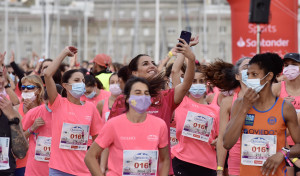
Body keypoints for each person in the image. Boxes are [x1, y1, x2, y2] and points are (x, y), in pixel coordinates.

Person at [223, 53, 300, 176]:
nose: (249, 79)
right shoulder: (239, 104)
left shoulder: (285, 108)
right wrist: (244, 108)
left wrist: (283, 153)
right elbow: (227, 143)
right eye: (248, 75)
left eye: (254, 74)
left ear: (269, 76)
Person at [85, 77, 170, 176]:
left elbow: (165, 160)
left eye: (146, 93)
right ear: (127, 98)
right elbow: (90, 156)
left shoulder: (160, 125)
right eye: (138, 93)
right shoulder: (113, 124)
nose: (143, 97)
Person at [44, 46, 103, 175]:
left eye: (82, 80)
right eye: (76, 80)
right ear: (65, 85)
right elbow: (47, 74)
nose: (81, 83)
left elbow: (98, 139)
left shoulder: (91, 108)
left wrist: (97, 165)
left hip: (84, 170)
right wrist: (64, 53)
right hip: (59, 170)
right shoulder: (58, 102)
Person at [204, 57, 250, 176]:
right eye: (245, 67)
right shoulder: (228, 102)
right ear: (237, 76)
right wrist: (219, 169)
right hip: (236, 163)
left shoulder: (267, 100)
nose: (249, 70)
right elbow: (222, 139)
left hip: (262, 160)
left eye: (254, 67)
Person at [172, 68, 220, 176]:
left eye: (201, 81)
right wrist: (186, 55)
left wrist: (219, 140)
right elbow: (174, 73)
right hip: (182, 162)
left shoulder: (216, 110)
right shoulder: (181, 101)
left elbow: (221, 137)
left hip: (208, 165)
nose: (197, 84)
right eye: (193, 81)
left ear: (207, 84)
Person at [22, 86, 61, 176]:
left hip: (59, 169)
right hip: (35, 170)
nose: (50, 108)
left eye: (54, 104)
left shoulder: (68, 114)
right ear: (44, 99)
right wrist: (32, 128)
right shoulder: (33, 112)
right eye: (48, 104)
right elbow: (19, 139)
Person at [272, 53, 300, 176]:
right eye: (286, 65)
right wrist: (281, 106)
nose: (289, 68)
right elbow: (268, 116)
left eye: (294, 65)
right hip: (282, 146)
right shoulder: (276, 88)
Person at [0, 63, 28, 176]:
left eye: (1, 75)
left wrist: (13, 119)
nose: (0, 80)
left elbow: (21, 152)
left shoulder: (11, 112)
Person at [15, 75, 45, 176]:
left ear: (39, 89)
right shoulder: (15, 110)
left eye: (30, 87)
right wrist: (31, 129)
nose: (26, 90)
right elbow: (17, 138)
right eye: (23, 87)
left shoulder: (45, 109)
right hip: (20, 160)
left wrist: (35, 110)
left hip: (41, 161)